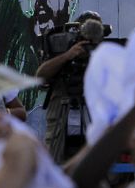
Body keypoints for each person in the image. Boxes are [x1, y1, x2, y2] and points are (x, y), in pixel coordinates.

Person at [36, 11, 104, 163]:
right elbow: (41, 76)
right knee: (54, 164)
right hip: (60, 114)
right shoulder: (62, 47)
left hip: (92, 116)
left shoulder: (102, 53)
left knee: (93, 165)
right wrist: (68, 56)